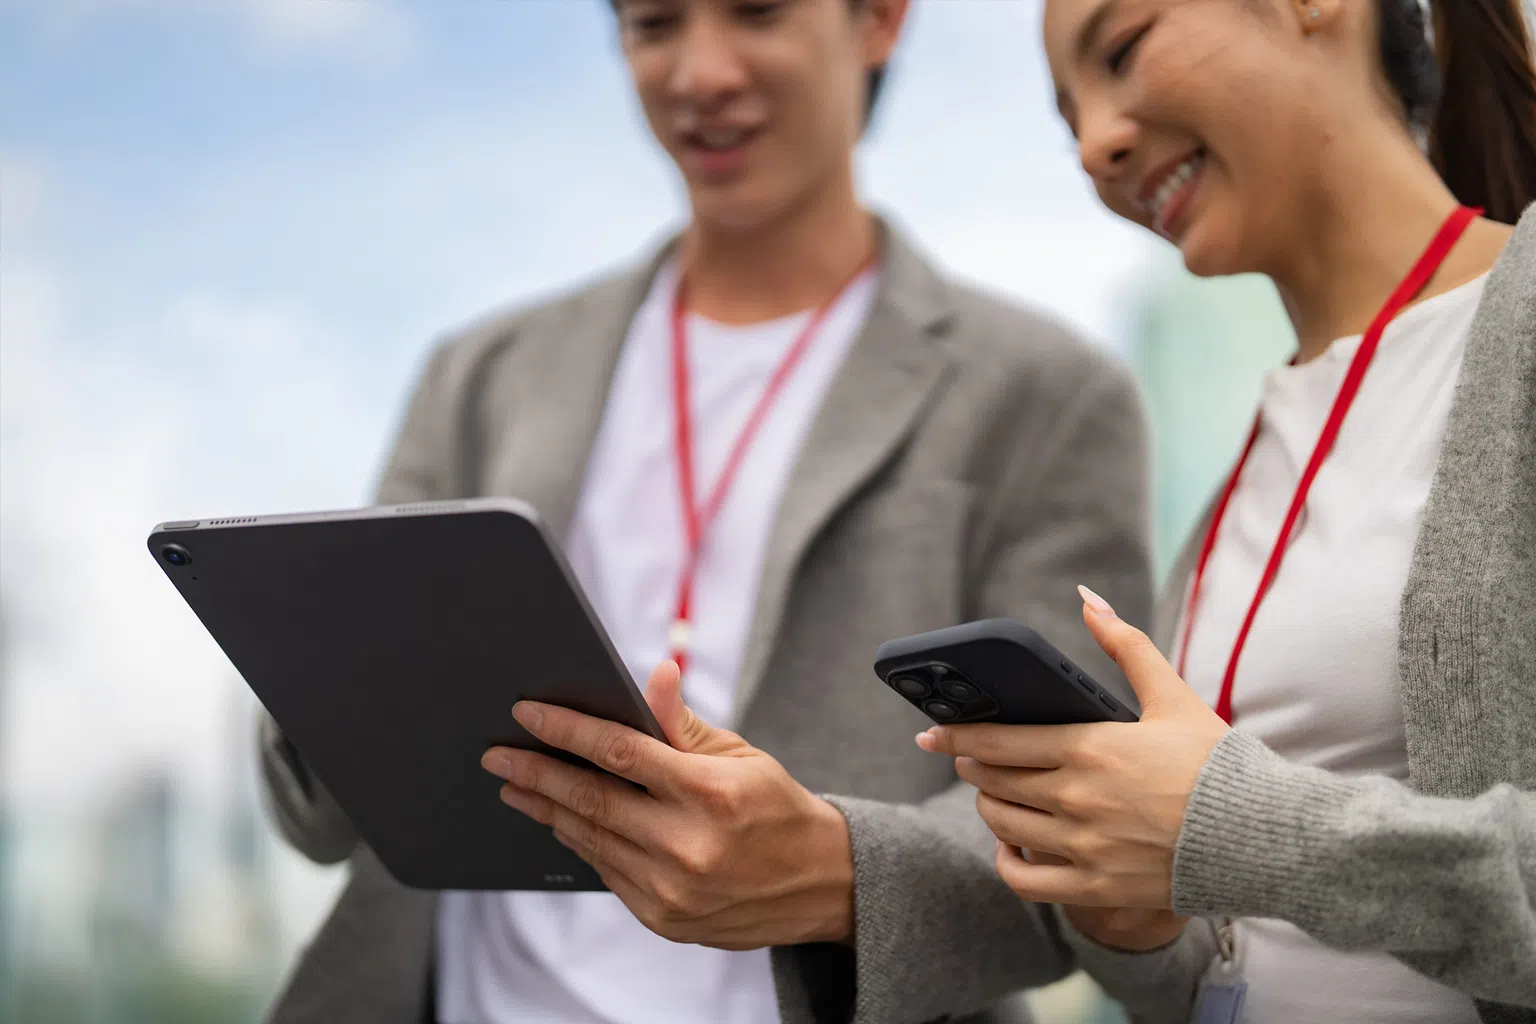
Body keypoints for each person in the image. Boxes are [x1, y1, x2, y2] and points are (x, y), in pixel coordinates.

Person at [258, 1, 1155, 1022]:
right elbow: (323, 808)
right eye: (653, 24)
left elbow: (1091, 829)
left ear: (880, 21)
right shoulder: (485, 375)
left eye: (757, 11)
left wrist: (836, 870)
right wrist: (316, 675)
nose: (699, 72)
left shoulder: (1044, 395)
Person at [916, 0, 1536, 1021]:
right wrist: (1135, 917)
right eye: (1065, 118)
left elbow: (1242, 834)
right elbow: (1226, 960)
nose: (1095, 145)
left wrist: (1228, 827)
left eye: (1122, 50)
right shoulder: (1234, 496)